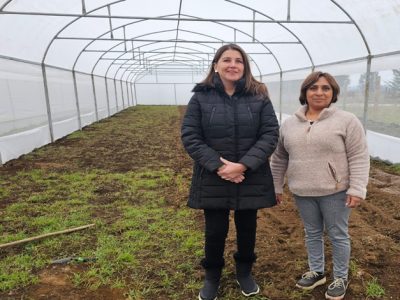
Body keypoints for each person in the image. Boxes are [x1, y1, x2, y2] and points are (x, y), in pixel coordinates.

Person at [181, 44, 279, 300]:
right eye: (227, 60)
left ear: (245, 67)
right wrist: (221, 166)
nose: (233, 65)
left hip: (250, 174)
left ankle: (244, 273)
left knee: (247, 228)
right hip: (214, 175)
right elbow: (191, 136)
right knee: (215, 230)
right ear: (216, 65)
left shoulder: (259, 96)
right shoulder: (201, 97)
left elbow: (270, 134)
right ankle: (212, 276)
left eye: (239, 61)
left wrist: (243, 165)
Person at [270, 71, 370, 300]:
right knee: (312, 233)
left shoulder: (347, 120)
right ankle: (317, 271)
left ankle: (340, 277)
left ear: (333, 93)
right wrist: (276, 186)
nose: (319, 92)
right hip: (302, 190)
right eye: (313, 88)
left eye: (326, 88)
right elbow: (279, 158)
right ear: (304, 92)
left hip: (335, 191)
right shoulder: (289, 124)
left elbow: (358, 156)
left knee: (338, 234)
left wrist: (357, 188)